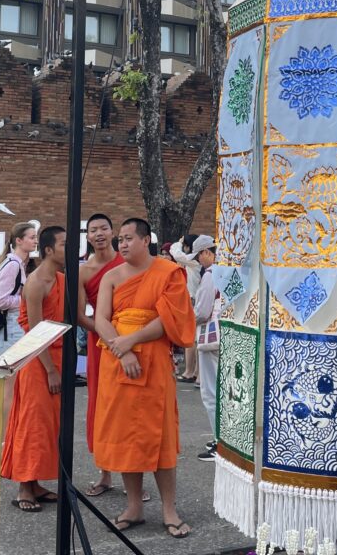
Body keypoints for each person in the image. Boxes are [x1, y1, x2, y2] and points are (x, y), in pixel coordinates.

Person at [94, 218, 196, 538]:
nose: (121, 244)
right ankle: (134, 506)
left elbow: (170, 319)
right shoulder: (111, 277)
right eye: (119, 240)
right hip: (118, 364)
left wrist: (132, 340)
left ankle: (169, 510)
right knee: (126, 438)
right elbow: (101, 318)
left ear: (145, 240)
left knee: (160, 436)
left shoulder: (168, 272)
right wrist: (121, 351)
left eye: (127, 238)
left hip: (153, 364)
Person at [1, 224, 66, 511]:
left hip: (58, 356)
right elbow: (36, 331)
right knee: (32, 422)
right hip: (38, 360)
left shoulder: (63, 279)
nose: (70, 248)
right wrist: (50, 369)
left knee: (49, 424)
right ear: (49, 250)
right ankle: (24, 487)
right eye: (64, 244)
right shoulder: (36, 282)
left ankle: (36, 482)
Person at [78, 213, 124, 496]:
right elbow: (80, 315)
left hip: (134, 340)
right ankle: (105, 473)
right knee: (102, 404)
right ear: (87, 236)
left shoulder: (129, 263)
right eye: (93, 230)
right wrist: (108, 335)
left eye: (103, 228)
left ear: (113, 232)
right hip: (101, 344)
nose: (99, 234)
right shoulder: (84, 271)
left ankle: (135, 475)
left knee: (131, 406)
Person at [0, 221, 37, 463]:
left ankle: (4, 441)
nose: (35, 241)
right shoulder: (13, 265)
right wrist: (27, 299)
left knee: (13, 388)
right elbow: (1, 300)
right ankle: (0, 443)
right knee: (10, 389)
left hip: (14, 330)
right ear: (19, 240)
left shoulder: (16, 263)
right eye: (31, 237)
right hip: (11, 331)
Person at [191, 235, 219, 460]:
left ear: (206, 252)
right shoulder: (229, 270)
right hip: (227, 335)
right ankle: (225, 439)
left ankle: (219, 441)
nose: (200, 261)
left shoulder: (210, 275)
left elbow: (201, 312)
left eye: (199, 255)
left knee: (211, 393)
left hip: (211, 338)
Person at [170, 234, 199, 384]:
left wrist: (178, 242)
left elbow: (176, 253)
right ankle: (195, 372)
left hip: (193, 300)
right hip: (196, 299)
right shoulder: (196, 262)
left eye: (186, 246)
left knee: (191, 338)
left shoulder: (193, 260)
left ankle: (189, 372)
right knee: (197, 338)